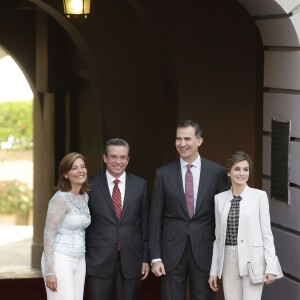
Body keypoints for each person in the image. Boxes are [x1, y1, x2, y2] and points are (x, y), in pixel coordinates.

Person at [149, 120, 229, 300]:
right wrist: (155, 257)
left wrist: (221, 257)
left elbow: (222, 217)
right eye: (178, 139)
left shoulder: (216, 172)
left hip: (205, 250)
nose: (182, 144)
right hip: (170, 251)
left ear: (199, 141)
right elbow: (155, 219)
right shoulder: (163, 174)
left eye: (187, 138)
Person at [208, 151, 280, 300]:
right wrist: (213, 271)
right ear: (228, 172)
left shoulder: (259, 196)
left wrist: (271, 267)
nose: (242, 173)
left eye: (245, 169)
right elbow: (218, 240)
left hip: (253, 260)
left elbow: (267, 235)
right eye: (237, 169)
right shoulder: (219, 199)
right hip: (228, 261)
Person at [86, 138, 149, 300]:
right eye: (113, 157)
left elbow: (145, 225)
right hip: (98, 260)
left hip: (131, 260)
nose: (118, 161)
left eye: (123, 157)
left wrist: (145, 258)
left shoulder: (140, 185)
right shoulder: (89, 186)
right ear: (105, 158)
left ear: (128, 160)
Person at [41, 152, 91, 300]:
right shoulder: (60, 199)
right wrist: (50, 271)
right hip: (60, 258)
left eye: (82, 167)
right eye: (74, 168)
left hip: (80, 259)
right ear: (65, 174)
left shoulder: (84, 197)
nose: (80, 171)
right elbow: (48, 235)